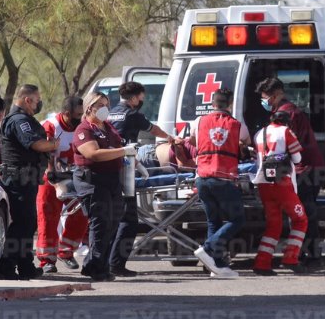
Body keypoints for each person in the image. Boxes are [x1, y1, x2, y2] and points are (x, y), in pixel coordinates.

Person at [107, 81, 177, 277]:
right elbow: (152, 129)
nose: (142, 101)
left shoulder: (111, 112)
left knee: (113, 218)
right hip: (124, 168)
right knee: (129, 221)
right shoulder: (132, 114)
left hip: (109, 167)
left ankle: (106, 262)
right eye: (141, 97)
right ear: (134, 97)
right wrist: (170, 138)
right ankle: (116, 264)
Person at [256, 77, 325, 266]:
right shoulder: (284, 112)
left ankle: (312, 256)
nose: (265, 102)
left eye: (267, 98)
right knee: (300, 213)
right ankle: (303, 253)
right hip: (301, 168)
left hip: (305, 170)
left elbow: (287, 146)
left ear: (278, 94)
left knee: (305, 213)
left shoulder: (287, 115)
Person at [72, 91, 136, 282]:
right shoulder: (84, 129)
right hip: (93, 180)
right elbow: (93, 154)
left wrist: (131, 157)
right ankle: (95, 267)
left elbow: (117, 148)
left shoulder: (108, 127)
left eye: (106, 104)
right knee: (100, 224)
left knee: (114, 223)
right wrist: (123, 151)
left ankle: (99, 265)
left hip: (112, 179)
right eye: (100, 105)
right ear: (89, 107)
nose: (104, 108)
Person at [0, 84, 58, 280]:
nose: (38, 104)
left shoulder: (25, 119)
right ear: (27, 100)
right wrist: (53, 144)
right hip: (19, 178)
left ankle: (25, 266)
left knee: (27, 224)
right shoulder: (19, 120)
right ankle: (6, 267)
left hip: (26, 178)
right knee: (22, 224)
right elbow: (36, 144)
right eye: (37, 100)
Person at [190, 88, 251, 278]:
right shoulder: (237, 125)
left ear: (212, 103)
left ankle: (215, 266)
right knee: (237, 219)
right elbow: (246, 143)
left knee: (213, 221)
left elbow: (192, 141)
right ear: (230, 104)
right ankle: (208, 250)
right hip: (223, 178)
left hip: (202, 178)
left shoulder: (199, 121)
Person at [251, 111, 308, 275]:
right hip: (282, 183)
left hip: (263, 183)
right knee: (300, 220)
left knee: (273, 225)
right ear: (287, 122)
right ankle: (291, 258)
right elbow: (297, 159)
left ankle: (262, 264)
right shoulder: (286, 131)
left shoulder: (259, 133)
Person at [35, 96, 88, 274]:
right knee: (48, 216)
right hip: (50, 176)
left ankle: (66, 251)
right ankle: (47, 260)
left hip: (74, 176)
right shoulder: (50, 126)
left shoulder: (83, 126)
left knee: (82, 212)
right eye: (78, 114)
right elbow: (47, 155)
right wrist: (55, 181)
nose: (81, 118)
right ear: (66, 114)